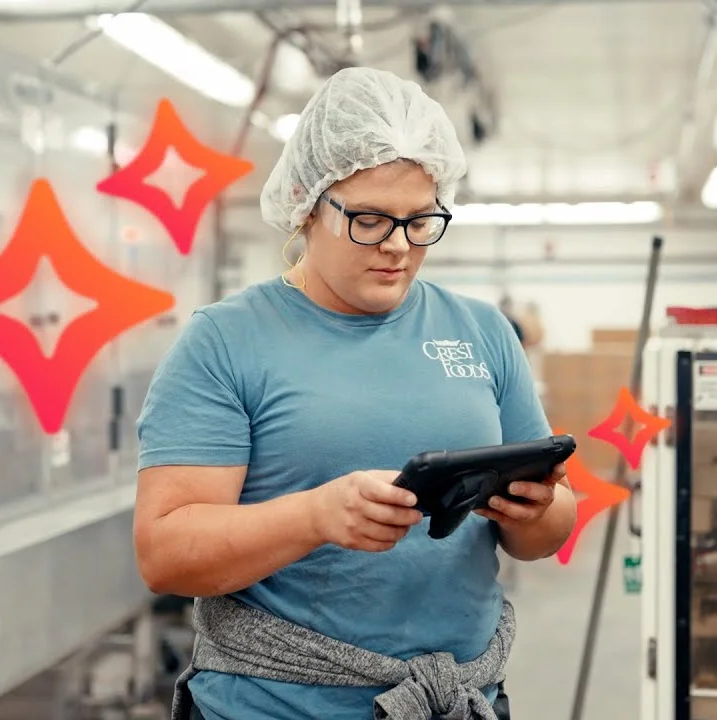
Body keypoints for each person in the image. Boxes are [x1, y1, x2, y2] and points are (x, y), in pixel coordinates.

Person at [133, 66, 577, 720]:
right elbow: (165, 553)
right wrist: (314, 518)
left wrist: (535, 511)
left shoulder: (481, 333)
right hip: (274, 708)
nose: (398, 247)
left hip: (457, 701)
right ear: (307, 204)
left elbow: (548, 532)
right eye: (369, 220)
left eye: (420, 221)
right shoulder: (228, 342)